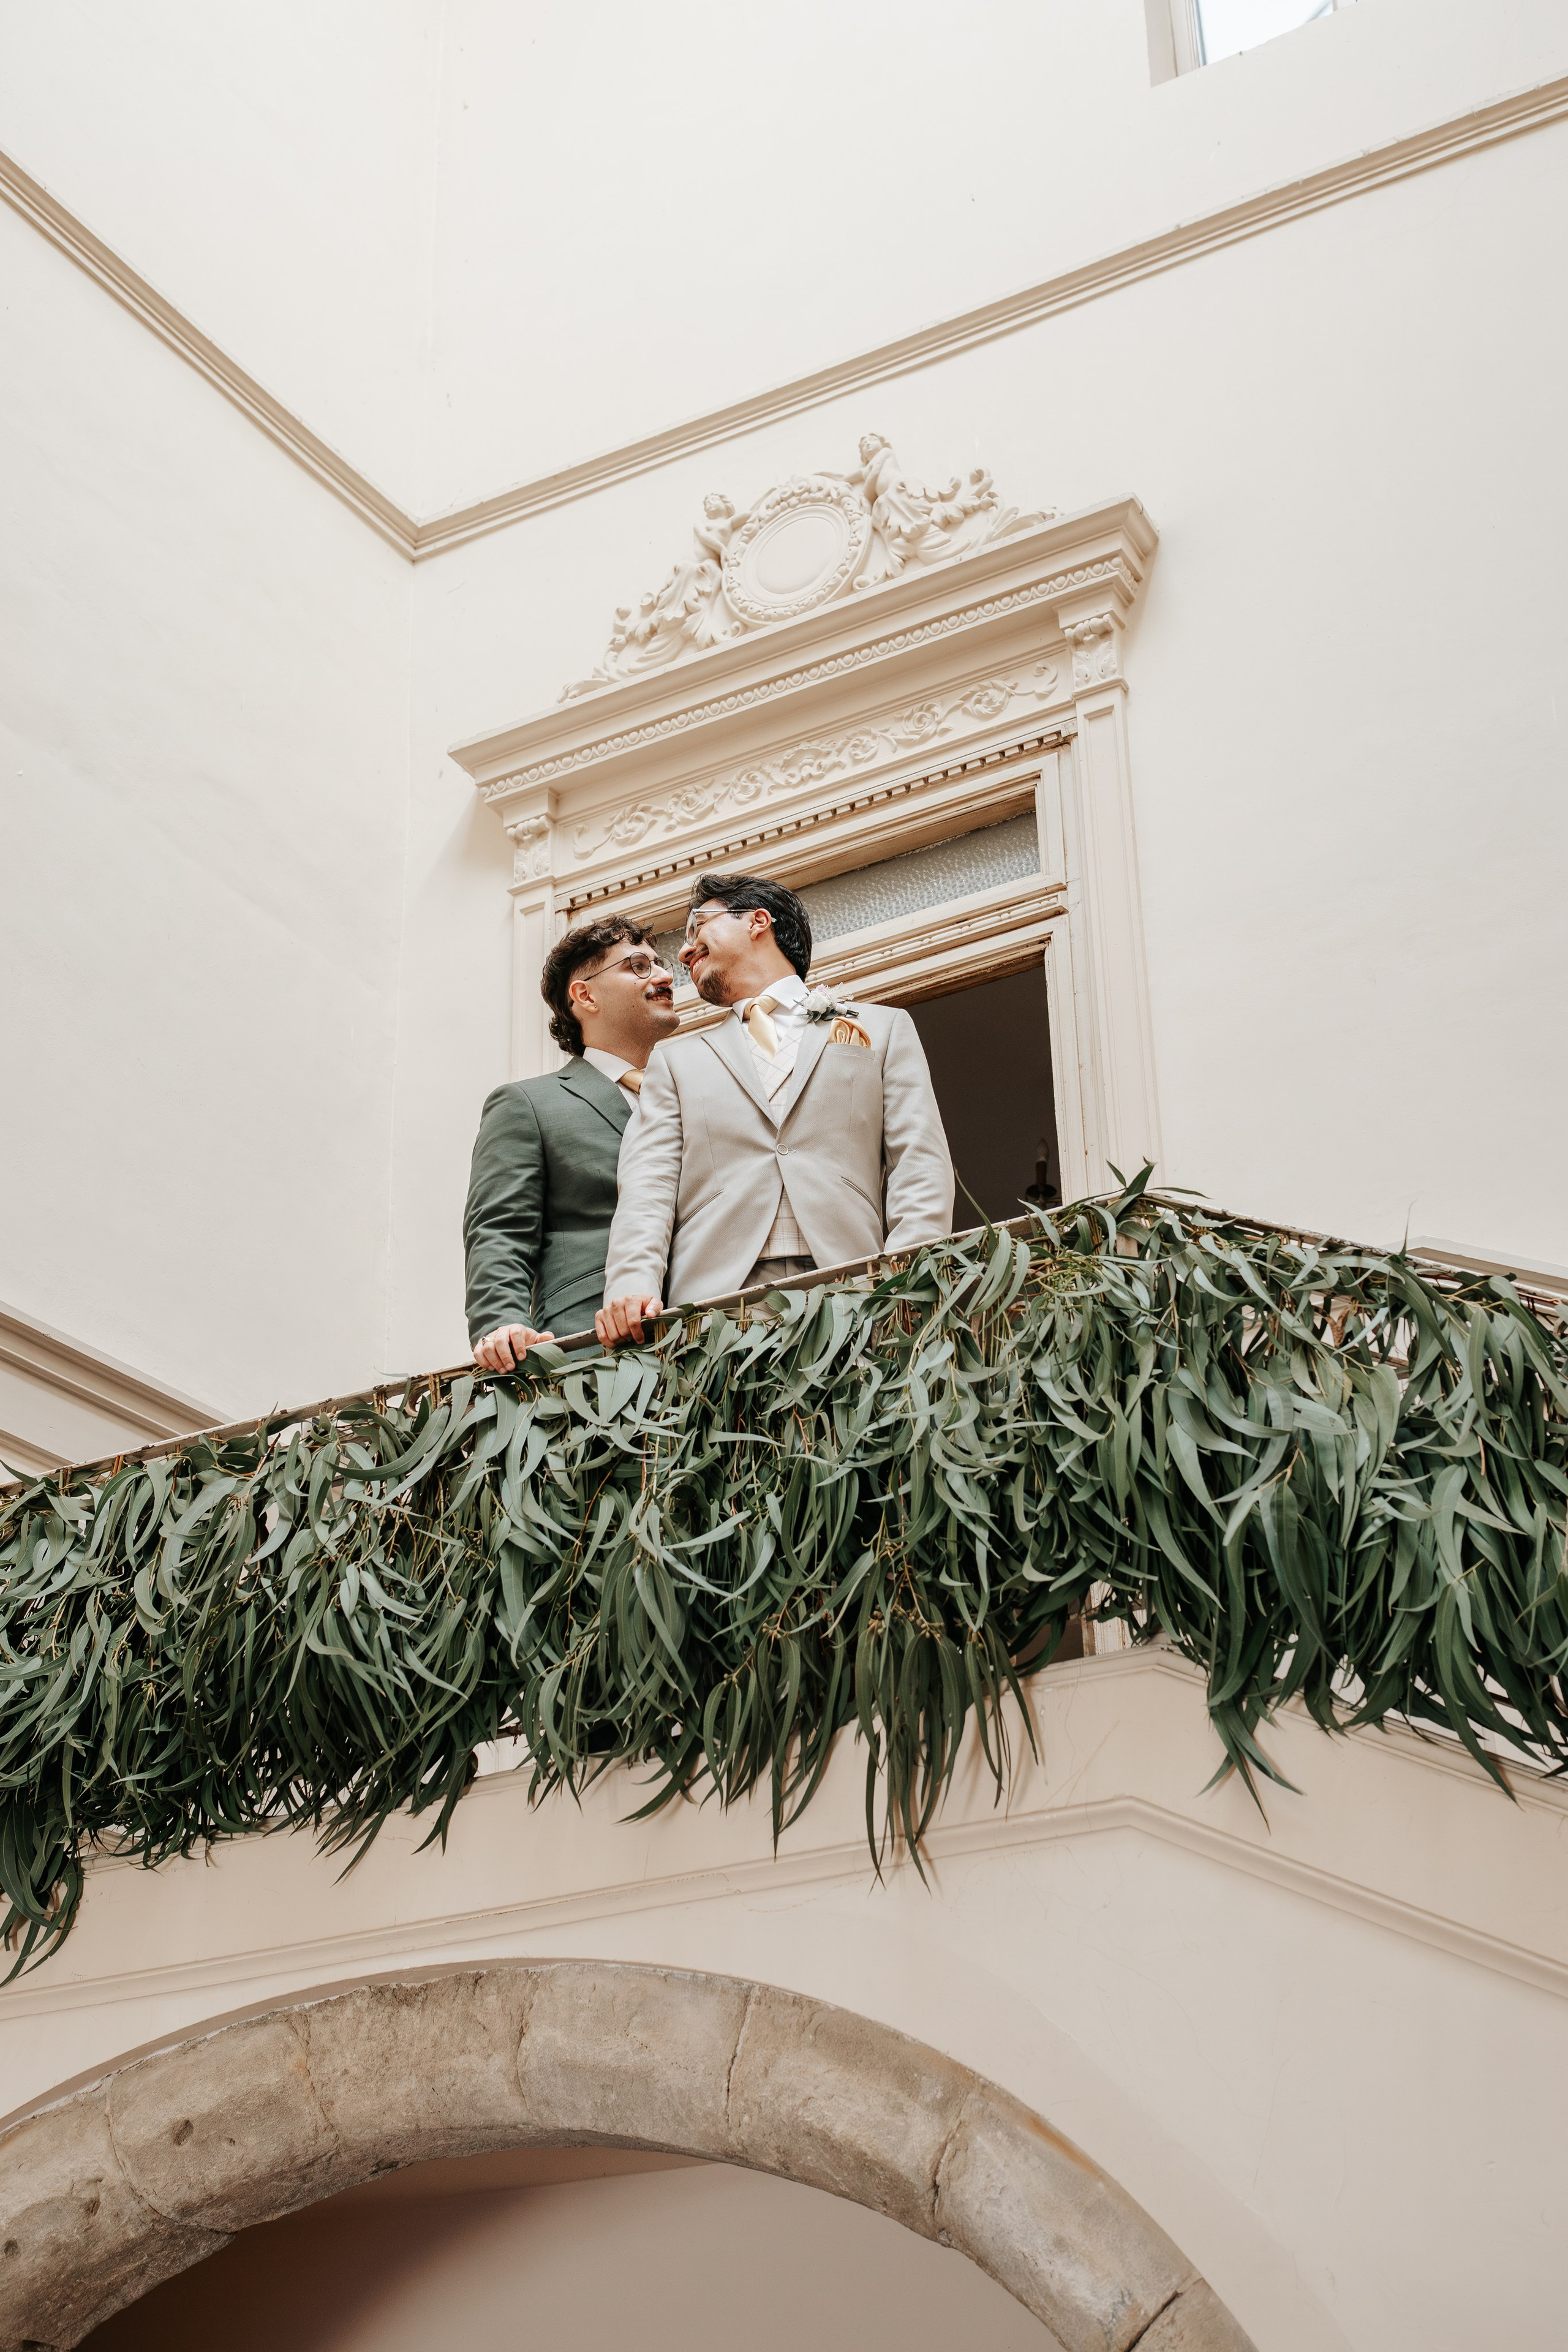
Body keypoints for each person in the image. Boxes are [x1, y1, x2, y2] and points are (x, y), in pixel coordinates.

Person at [595, 872, 953, 1344]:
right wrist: (631, 1286)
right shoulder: (674, 1060)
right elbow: (648, 1186)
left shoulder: (884, 1029)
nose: (683, 953)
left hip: (856, 1290)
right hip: (714, 1308)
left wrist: (911, 1276)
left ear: (758, 921)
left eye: (696, 927)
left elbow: (919, 1161)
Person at [464, 919, 678, 1370]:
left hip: (703, 1335)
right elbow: (501, 1230)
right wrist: (501, 1322)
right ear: (585, 996)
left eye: (660, 964)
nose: (664, 976)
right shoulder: (528, 1104)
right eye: (638, 966)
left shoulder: (692, 1096)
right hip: (588, 1348)